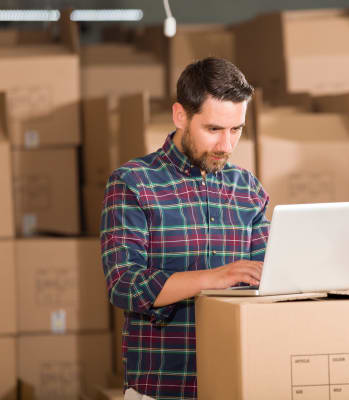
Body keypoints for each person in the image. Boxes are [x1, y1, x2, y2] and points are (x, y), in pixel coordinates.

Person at [100, 57, 270, 399]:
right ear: (180, 115)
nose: (226, 145)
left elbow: (268, 276)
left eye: (236, 129)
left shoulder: (247, 188)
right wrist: (214, 278)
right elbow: (124, 286)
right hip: (163, 385)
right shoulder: (133, 183)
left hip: (236, 381)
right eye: (213, 129)